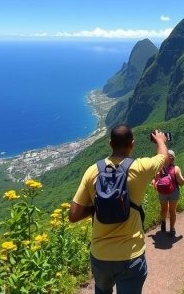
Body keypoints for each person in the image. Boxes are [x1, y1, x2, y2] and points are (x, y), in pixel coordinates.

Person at [69, 125, 168, 294]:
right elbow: (163, 157)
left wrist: (98, 205)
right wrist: (160, 140)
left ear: (110, 143)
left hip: (100, 254)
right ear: (132, 144)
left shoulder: (92, 171)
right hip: (131, 255)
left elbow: (73, 215)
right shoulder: (141, 168)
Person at [152, 150, 184, 237]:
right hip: (173, 192)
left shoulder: (159, 168)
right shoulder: (176, 169)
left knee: (163, 209)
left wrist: (156, 185)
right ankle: (172, 229)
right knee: (172, 211)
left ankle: (163, 223)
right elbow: (181, 183)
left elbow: (155, 181)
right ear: (173, 159)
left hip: (162, 193)